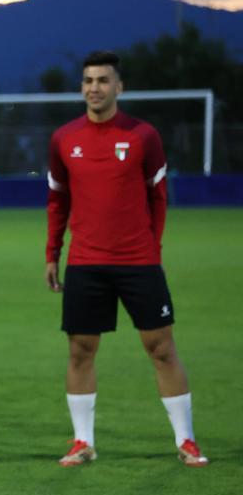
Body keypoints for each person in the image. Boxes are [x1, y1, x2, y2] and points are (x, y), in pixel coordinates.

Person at [46, 50, 207, 468]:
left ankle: (186, 440)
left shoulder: (143, 136)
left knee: (162, 349)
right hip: (85, 261)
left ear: (119, 86)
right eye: (88, 81)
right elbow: (57, 201)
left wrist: (151, 251)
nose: (94, 88)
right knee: (80, 350)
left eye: (102, 80)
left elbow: (159, 197)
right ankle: (83, 442)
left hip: (138, 262)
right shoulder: (64, 139)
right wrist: (53, 254)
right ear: (81, 87)